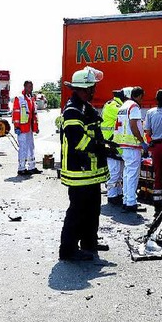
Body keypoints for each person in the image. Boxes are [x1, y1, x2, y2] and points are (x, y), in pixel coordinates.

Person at [58, 66, 110, 261]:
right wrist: (100, 148)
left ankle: (89, 242)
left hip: (90, 171)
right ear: (81, 89)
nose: (93, 92)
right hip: (79, 172)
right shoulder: (73, 110)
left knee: (93, 209)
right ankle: (68, 251)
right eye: (91, 89)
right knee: (77, 212)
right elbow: (77, 140)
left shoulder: (85, 107)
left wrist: (105, 145)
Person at [114, 86, 147, 212]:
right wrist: (142, 141)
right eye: (142, 98)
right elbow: (134, 126)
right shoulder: (134, 107)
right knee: (132, 175)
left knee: (127, 174)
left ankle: (127, 200)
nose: (142, 101)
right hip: (132, 146)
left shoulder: (123, 106)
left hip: (123, 145)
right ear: (138, 96)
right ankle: (131, 203)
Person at [101, 87, 128, 205]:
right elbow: (126, 116)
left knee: (119, 171)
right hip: (110, 143)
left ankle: (118, 193)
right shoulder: (114, 106)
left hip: (115, 143)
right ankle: (112, 195)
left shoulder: (116, 104)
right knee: (114, 171)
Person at [12, 80, 41, 176]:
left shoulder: (31, 99)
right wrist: (16, 126)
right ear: (24, 87)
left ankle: (31, 167)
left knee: (31, 147)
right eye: (29, 86)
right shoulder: (19, 98)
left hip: (29, 128)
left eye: (31, 86)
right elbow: (16, 113)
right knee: (23, 148)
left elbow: (33, 115)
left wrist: (36, 127)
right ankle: (21, 168)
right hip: (22, 128)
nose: (31, 88)